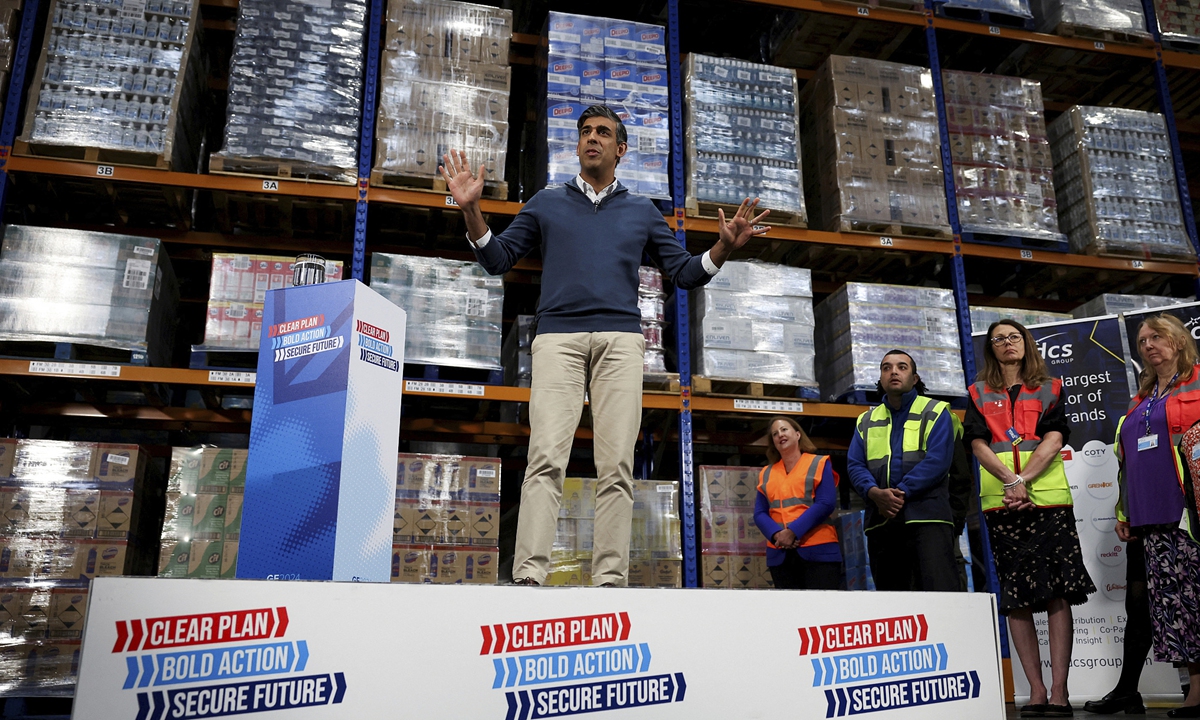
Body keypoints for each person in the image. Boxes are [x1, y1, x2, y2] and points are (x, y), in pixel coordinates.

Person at [439, 104, 771, 587]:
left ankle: (609, 580)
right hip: (557, 340)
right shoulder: (546, 202)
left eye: (602, 132)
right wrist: (471, 210)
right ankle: (529, 575)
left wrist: (721, 248)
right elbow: (497, 259)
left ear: (621, 148)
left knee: (615, 464)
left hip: (620, 341)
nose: (591, 138)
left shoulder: (642, 211)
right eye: (585, 132)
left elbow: (682, 273)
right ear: (577, 145)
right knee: (545, 457)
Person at [966, 319, 1094, 718]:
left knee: (1057, 591)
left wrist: (1023, 479)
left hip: (1048, 503)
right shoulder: (977, 392)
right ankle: (1036, 691)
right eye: (998, 339)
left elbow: (1055, 437)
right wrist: (1009, 480)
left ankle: (1059, 690)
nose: (1007, 344)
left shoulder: (1051, 387)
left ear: (1026, 343)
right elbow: (976, 442)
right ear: (991, 349)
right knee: (1015, 597)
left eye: (1014, 337)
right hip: (1002, 504)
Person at [1113, 314, 1200, 718]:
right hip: (1148, 517)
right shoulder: (1141, 398)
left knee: (1193, 603)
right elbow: (1127, 461)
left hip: (1186, 514)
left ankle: (1197, 692)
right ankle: (1193, 687)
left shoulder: (1198, 383)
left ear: (1178, 341)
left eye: (1156, 337)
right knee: (1173, 608)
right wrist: (1124, 509)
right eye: (1142, 340)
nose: (1148, 345)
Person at [847, 349, 960, 592]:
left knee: (940, 597)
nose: (893, 372)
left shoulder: (936, 411)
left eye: (902, 367)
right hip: (882, 523)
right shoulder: (865, 420)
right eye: (886, 368)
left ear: (915, 378)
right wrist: (874, 492)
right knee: (894, 607)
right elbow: (855, 464)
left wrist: (897, 493)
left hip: (927, 519)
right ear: (881, 378)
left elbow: (938, 462)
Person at [753, 416, 841, 590]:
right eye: (775, 434)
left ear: (798, 434)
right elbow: (759, 513)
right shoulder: (767, 473)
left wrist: (792, 532)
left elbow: (826, 503)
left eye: (784, 430)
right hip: (780, 554)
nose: (780, 435)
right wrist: (778, 535)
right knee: (789, 614)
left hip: (818, 551)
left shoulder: (818, 463)